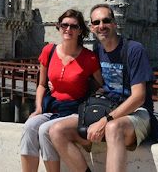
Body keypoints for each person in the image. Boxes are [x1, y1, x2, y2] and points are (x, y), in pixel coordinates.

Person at [50, 4, 155, 172]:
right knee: (57, 131)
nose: (101, 26)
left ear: (114, 23)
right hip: (107, 107)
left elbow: (138, 97)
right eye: (96, 22)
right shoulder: (97, 53)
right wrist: (56, 84)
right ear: (91, 27)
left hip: (137, 112)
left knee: (113, 128)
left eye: (106, 21)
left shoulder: (134, 50)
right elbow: (87, 83)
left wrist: (106, 121)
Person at [20, 9, 103, 172]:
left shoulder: (89, 58)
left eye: (74, 26)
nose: (68, 29)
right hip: (52, 107)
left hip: (75, 110)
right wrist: (38, 108)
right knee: (30, 126)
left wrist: (85, 82)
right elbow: (42, 84)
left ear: (80, 31)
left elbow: (100, 86)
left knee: (45, 130)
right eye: (64, 25)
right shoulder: (48, 51)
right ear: (58, 27)